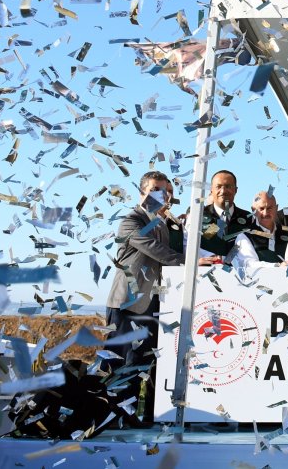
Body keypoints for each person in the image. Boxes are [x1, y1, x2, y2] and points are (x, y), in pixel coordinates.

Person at [105, 171, 185, 426]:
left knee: (145, 362)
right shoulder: (131, 221)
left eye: (167, 192)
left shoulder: (164, 224)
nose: (164, 196)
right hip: (127, 305)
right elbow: (154, 250)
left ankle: (142, 418)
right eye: (156, 190)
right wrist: (189, 262)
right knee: (121, 363)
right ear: (142, 193)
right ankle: (112, 419)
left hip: (153, 306)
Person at [195, 170, 252, 260]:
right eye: (218, 186)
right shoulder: (198, 216)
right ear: (211, 190)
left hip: (240, 268)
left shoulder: (249, 218)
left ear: (236, 190)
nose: (223, 191)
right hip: (208, 267)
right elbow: (188, 245)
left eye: (228, 186)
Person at [229, 191, 280, 274]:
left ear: (276, 208)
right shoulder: (244, 236)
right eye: (261, 209)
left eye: (269, 208)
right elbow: (249, 264)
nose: (265, 213)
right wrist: (277, 266)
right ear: (253, 210)